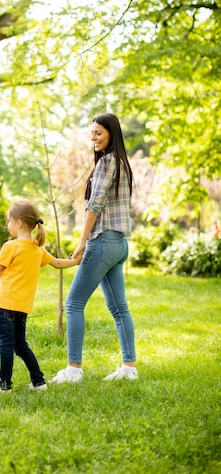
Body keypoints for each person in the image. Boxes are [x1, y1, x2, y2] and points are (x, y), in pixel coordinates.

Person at [51, 113, 138, 384]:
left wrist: (81, 241)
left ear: (112, 133)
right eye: (92, 133)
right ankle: (129, 367)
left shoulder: (107, 162)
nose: (94, 138)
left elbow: (94, 205)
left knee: (73, 303)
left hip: (102, 242)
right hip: (120, 243)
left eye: (99, 133)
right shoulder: (123, 162)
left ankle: (73, 370)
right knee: (119, 308)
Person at [0, 199, 82, 393]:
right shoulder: (37, 249)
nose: (7, 225)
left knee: (6, 346)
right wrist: (76, 260)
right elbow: (59, 264)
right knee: (20, 345)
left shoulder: (11, 247)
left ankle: (4, 386)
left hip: (7, 304)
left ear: (18, 223)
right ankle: (39, 382)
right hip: (23, 307)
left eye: (9, 221)